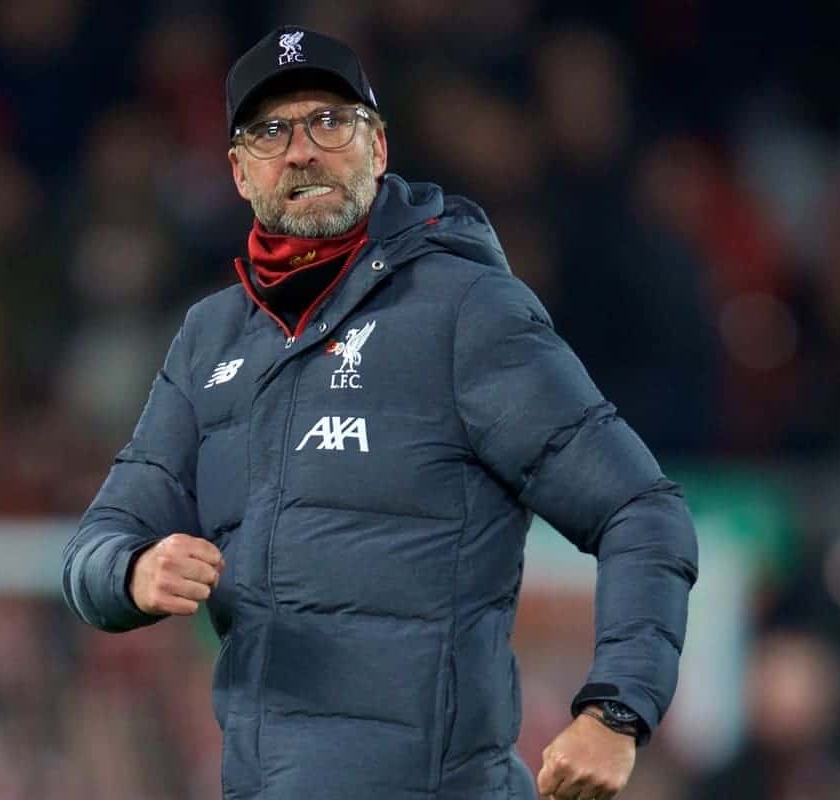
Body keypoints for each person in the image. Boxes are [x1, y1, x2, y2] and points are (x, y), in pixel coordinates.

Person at [62, 25, 698, 800]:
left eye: (330, 121)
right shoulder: (209, 339)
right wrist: (133, 570)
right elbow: (94, 547)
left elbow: (641, 509)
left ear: (379, 148)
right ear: (237, 171)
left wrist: (616, 710)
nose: (302, 150)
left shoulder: (466, 311)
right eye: (271, 131)